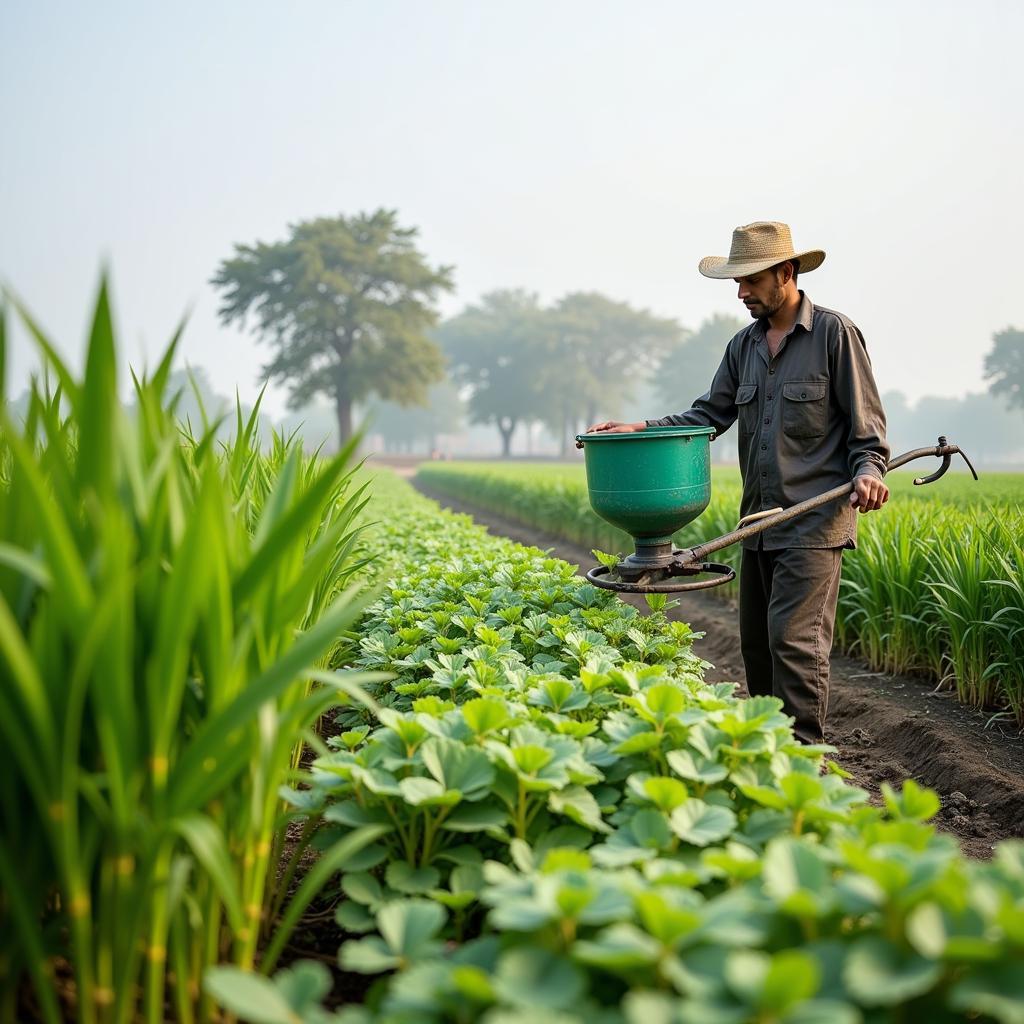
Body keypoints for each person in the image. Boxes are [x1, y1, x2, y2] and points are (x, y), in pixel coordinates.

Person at [583, 221, 889, 744]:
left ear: (786, 273)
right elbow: (710, 413)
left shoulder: (835, 335)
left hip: (812, 521)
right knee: (757, 646)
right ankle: (766, 751)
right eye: (737, 283)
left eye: (750, 281)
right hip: (760, 523)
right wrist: (641, 427)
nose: (742, 293)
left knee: (793, 643)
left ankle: (804, 758)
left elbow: (867, 427)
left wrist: (869, 471)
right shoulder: (743, 345)